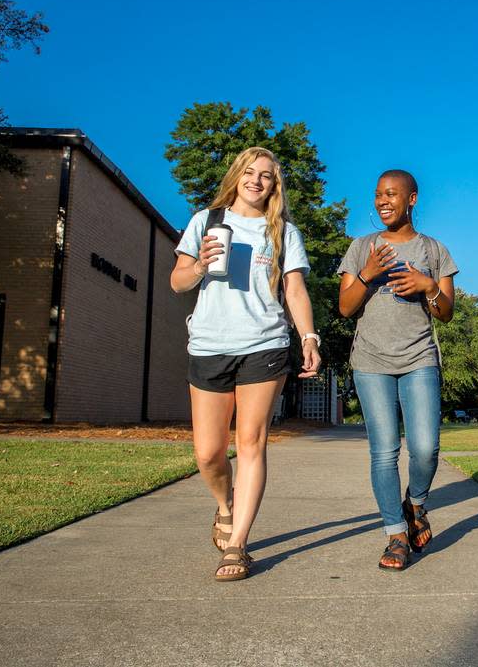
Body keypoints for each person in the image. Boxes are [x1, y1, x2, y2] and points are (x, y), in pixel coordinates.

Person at [170, 147, 320, 582]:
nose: (257, 181)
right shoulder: (206, 221)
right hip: (209, 345)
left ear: (276, 186)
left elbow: (294, 290)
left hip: (265, 345)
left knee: (252, 444)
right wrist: (199, 264)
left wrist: (307, 336)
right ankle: (224, 504)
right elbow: (178, 281)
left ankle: (237, 544)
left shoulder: (283, 232)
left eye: (267, 176)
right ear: (237, 176)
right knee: (208, 453)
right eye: (250, 173)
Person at [338, 170, 457, 571]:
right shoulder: (361, 247)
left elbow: (446, 314)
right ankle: (395, 534)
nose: (382, 201)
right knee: (384, 451)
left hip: (419, 357)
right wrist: (367, 274)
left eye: (391, 194)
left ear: (412, 199)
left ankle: (416, 504)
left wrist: (428, 286)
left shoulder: (434, 250)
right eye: (377, 195)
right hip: (371, 361)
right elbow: (345, 308)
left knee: (425, 447)